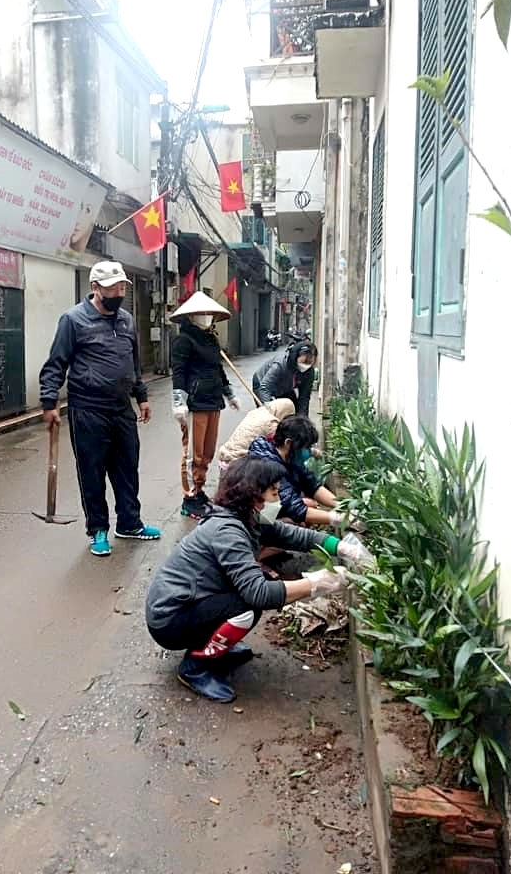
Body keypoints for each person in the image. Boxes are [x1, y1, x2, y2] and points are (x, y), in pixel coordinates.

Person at [145, 457, 349, 702]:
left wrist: (342, 547)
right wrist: (318, 583)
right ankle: (195, 667)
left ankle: (217, 648)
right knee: (248, 605)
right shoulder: (227, 531)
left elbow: (292, 535)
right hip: (170, 620)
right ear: (254, 496)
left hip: (189, 604)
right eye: (274, 492)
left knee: (251, 594)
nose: (279, 499)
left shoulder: (243, 518)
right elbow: (259, 594)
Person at [39, 260, 161, 557]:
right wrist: (49, 401)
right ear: (95, 287)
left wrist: (141, 396)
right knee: (92, 471)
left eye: (122, 287)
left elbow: (132, 363)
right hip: (88, 409)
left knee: (127, 468)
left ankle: (130, 523)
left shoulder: (127, 320)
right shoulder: (73, 320)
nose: (120, 292)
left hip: (121, 408)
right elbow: (56, 363)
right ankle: (98, 530)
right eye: (114, 287)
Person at [170, 291, 240, 519]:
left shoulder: (211, 339)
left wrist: (228, 393)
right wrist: (179, 401)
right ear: (191, 316)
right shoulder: (184, 340)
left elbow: (218, 368)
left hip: (213, 401)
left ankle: (199, 491)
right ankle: (189, 498)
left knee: (208, 452)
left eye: (209, 313)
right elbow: (179, 371)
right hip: (194, 403)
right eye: (202, 313)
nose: (206, 317)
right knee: (193, 454)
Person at [248, 414, 341, 528]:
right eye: (306, 447)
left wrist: (341, 505)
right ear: (288, 443)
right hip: (256, 518)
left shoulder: (290, 458)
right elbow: (293, 507)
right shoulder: (268, 466)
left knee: (309, 506)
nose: (309, 452)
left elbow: (312, 485)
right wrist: (338, 519)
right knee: (295, 523)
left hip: (271, 510)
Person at [218, 397, 295, 470]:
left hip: (224, 456)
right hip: (239, 462)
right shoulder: (272, 423)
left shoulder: (256, 412)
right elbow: (279, 449)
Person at [252, 341, 317, 415]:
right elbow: (265, 388)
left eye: (310, 362)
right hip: (262, 383)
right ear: (296, 357)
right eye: (304, 361)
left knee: (292, 413)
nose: (306, 365)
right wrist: (269, 409)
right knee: (267, 414)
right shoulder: (280, 365)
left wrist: (302, 419)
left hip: (285, 387)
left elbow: (304, 398)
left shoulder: (309, 372)